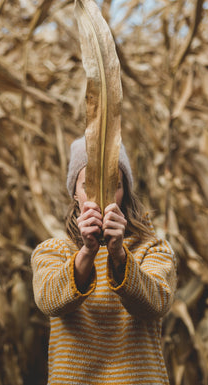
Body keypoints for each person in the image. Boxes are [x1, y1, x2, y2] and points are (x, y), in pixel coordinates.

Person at [31, 136, 177, 384]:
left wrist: (119, 254)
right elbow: (49, 301)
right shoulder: (53, 251)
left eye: (114, 186)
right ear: (75, 194)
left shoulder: (153, 249)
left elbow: (157, 304)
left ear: (125, 192)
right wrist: (88, 252)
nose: (98, 197)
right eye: (87, 186)